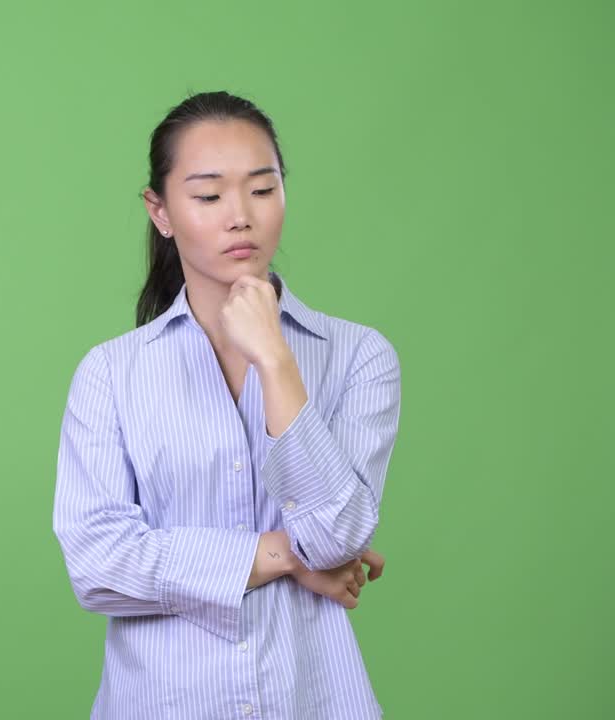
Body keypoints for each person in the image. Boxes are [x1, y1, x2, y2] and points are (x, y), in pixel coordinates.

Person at [53, 91, 401, 719]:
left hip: (312, 699)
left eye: (262, 190)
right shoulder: (112, 373)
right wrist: (286, 557)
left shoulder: (358, 356)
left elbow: (340, 535)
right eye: (209, 196)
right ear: (160, 211)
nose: (240, 216)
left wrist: (276, 361)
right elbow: (99, 565)